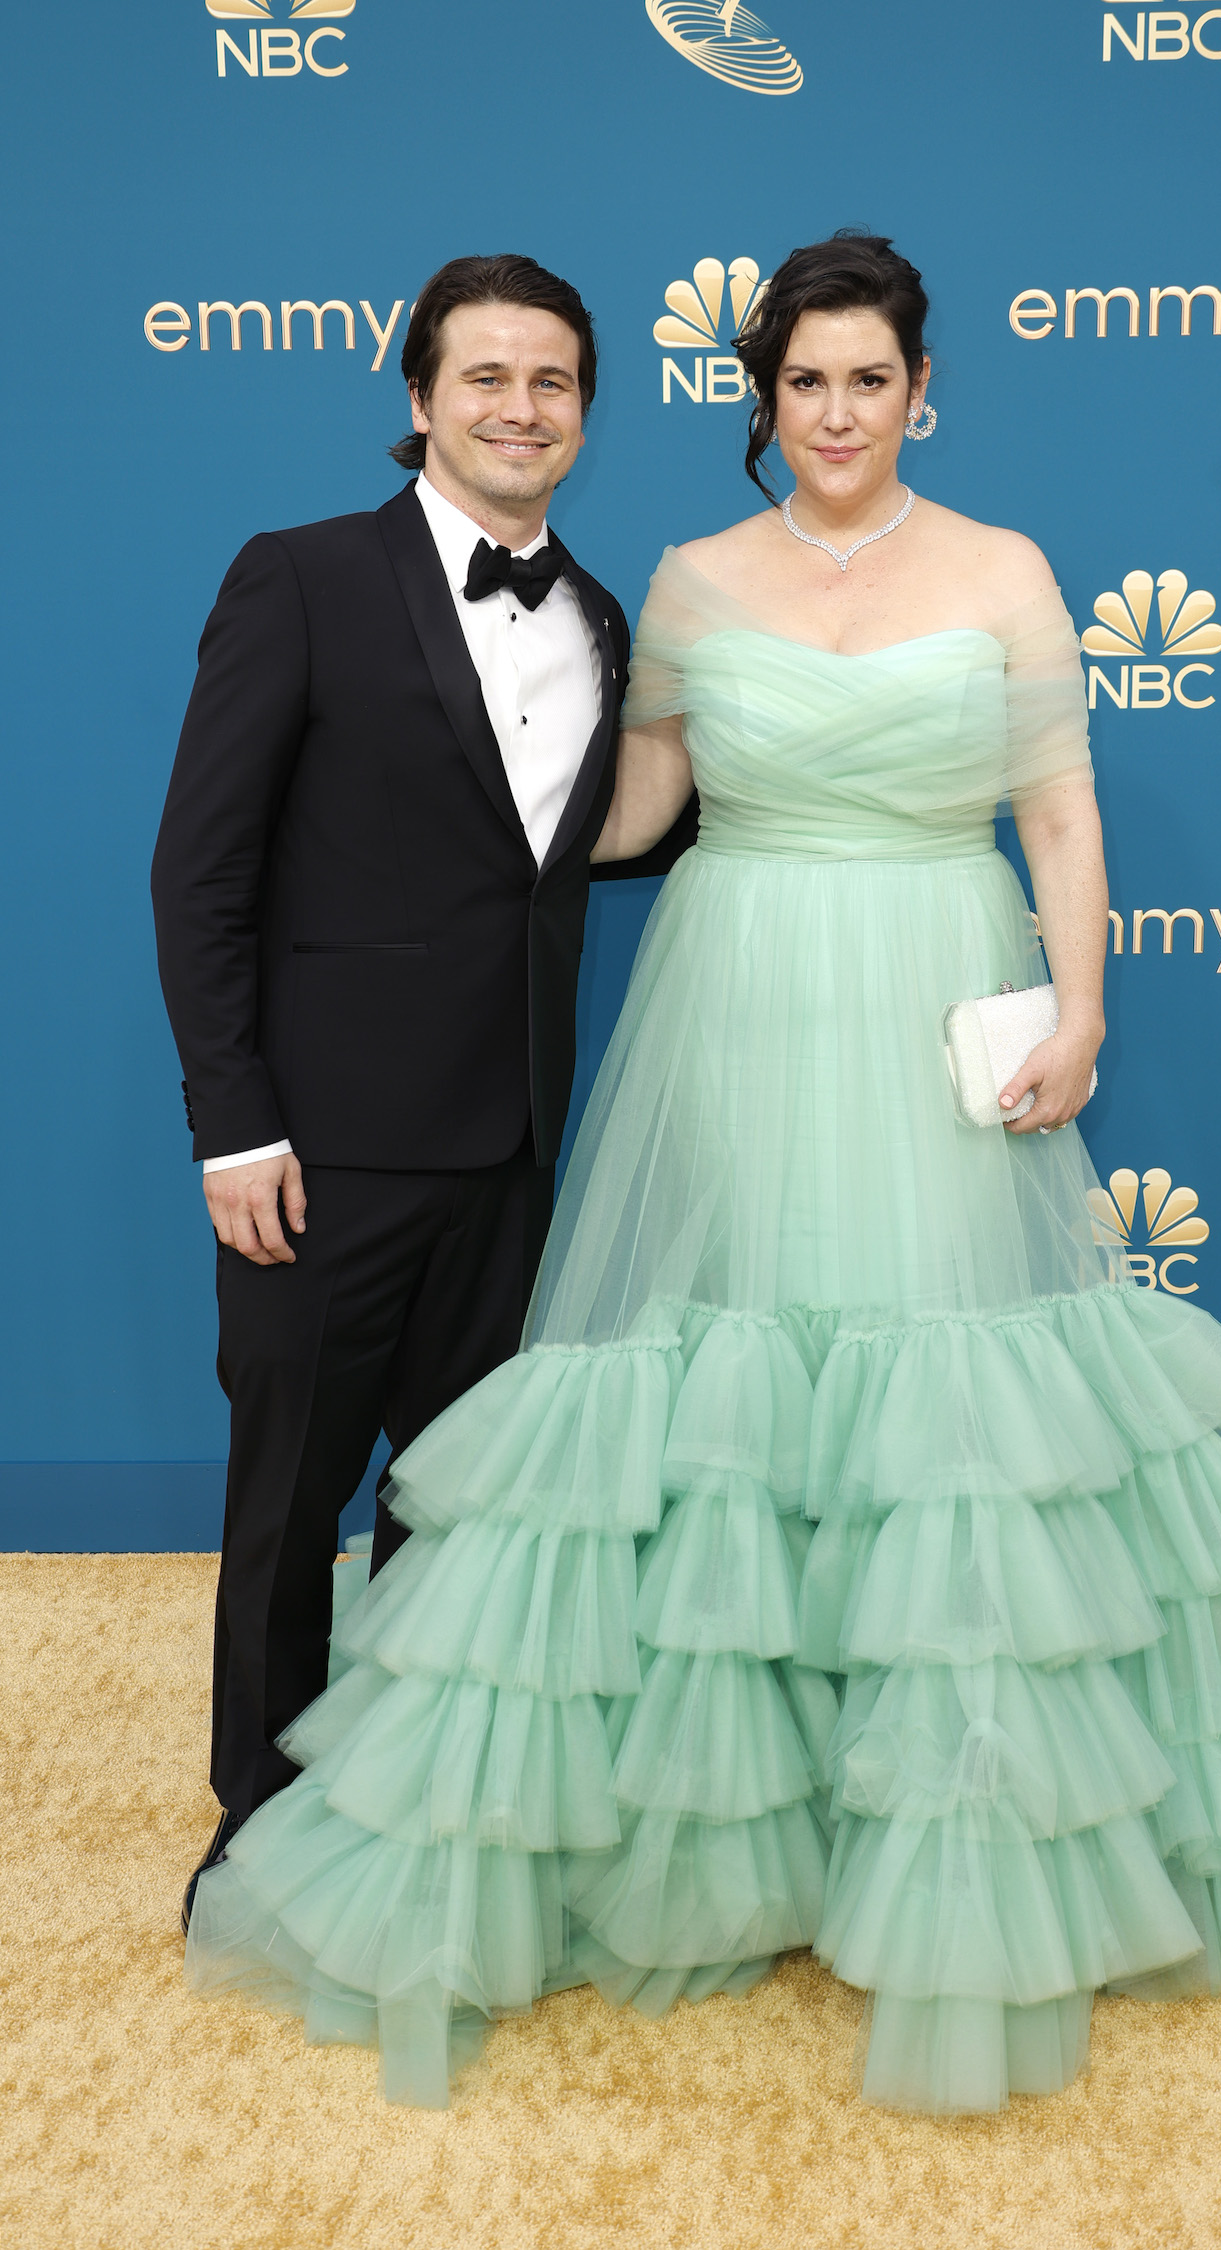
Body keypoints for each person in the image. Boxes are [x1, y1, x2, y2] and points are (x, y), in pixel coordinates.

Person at [183, 233, 1221, 2114]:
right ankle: (712, 1831)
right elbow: (609, 808)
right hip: (739, 999)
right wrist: (389, 869)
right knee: (721, 1404)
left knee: (946, 1415)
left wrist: (1084, 1008)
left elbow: (1059, 805)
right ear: (761, 402)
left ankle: (950, 1829)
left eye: (871, 380)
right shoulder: (686, 586)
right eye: (806, 383)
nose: (840, 412)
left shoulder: (1009, 570)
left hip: (936, 987)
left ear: (919, 392)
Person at [152, 254, 693, 1936]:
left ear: (586, 415)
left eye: (551, 385)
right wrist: (233, 1120)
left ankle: (415, 1806)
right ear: (418, 399)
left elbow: (604, 841)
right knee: (287, 1500)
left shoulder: (607, 618)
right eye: (486, 379)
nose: (519, 409)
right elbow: (201, 870)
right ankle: (260, 1820)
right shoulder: (301, 578)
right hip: (318, 1153)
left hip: (517, 1148)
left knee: (455, 1516)